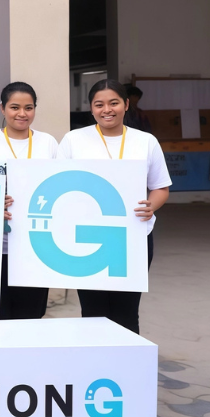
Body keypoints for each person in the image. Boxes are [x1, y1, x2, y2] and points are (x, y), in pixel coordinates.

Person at [59, 79, 170, 334]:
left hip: (132, 237)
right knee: (92, 310)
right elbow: (60, 186)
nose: (107, 110)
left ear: (126, 104)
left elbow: (161, 188)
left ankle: (127, 360)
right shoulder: (73, 140)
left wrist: (151, 206)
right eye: (99, 104)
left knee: (126, 311)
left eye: (114, 103)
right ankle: (94, 359)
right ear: (91, 108)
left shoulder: (146, 141)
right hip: (87, 239)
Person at [0, 82, 59, 320]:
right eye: (14, 107)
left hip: (35, 247)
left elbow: (57, 188)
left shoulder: (48, 143)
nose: (22, 113)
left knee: (30, 318)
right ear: (2, 108)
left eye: (28, 108)